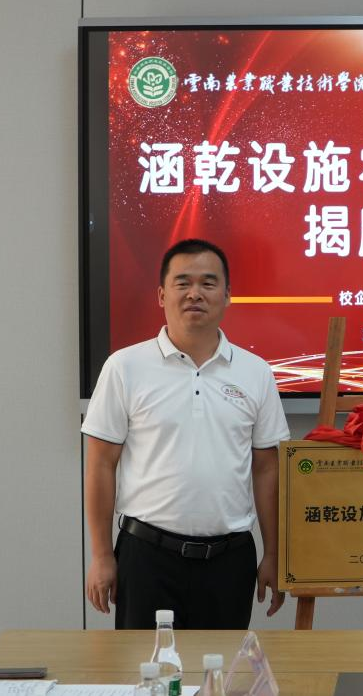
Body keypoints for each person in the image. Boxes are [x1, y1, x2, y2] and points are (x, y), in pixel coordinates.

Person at [82, 238, 289, 629]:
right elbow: (100, 465)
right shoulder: (124, 367)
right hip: (146, 557)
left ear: (227, 295)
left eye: (208, 283)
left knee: (221, 666)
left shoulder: (256, 372)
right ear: (162, 295)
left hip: (230, 560)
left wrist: (274, 555)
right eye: (183, 283)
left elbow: (267, 469)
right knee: (145, 667)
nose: (195, 293)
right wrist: (101, 555)